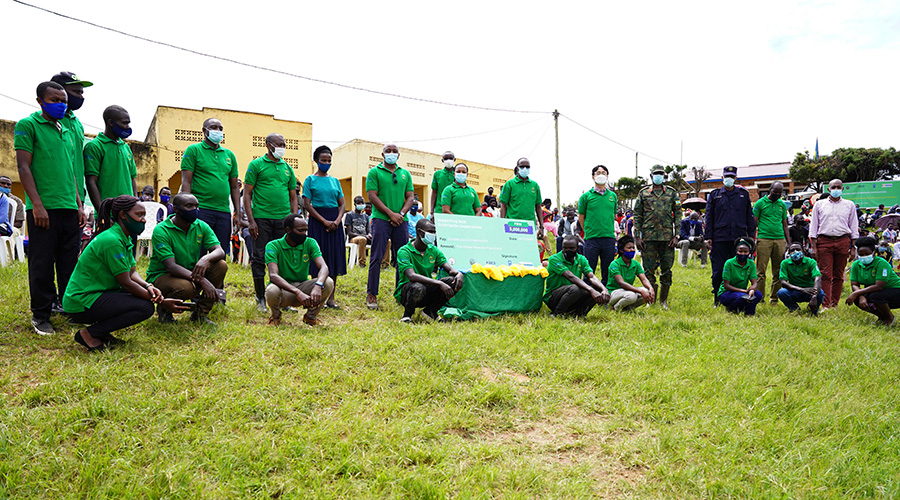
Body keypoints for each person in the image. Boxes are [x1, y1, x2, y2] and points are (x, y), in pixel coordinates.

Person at [63, 196, 187, 351]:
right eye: (139, 215)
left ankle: (102, 333)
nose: (143, 220)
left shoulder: (123, 237)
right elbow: (126, 282)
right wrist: (161, 302)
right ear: (123, 215)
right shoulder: (112, 240)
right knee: (145, 307)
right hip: (82, 300)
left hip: (98, 294)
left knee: (140, 299)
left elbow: (132, 272)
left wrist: (148, 286)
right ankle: (89, 334)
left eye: (144, 215)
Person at [15, 81, 87, 335]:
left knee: (69, 263)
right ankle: (41, 315)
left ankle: (68, 307)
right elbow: (24, 167)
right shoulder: (28, 125)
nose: (61, 104)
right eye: (55, 99)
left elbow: (71, 170)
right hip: (44, 208)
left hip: (69, 206)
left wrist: (79, 204)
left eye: (63, 100)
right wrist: (37, 205)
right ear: (40, 100)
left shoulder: (64, 130)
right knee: (42, 264)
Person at [146, 193, 227, 325]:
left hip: (189, 271)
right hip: (163, 275)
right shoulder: (162, 230)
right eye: (189, 206)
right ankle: (164, 311)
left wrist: (205, 259)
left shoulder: (201, 226)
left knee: (220, 265)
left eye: (197, 206)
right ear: (176, 209)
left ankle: (200, 314)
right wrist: (202, 281)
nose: (195, 210)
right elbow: (171, 266)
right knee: (186, 288)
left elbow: (219, 251)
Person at [243, 133, 299, 311]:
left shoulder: (287, 168)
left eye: (284, 144)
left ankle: (282, 297)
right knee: (259, 257)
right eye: (279, 144)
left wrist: (294, 218)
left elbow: (293, 196)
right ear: (268, 145)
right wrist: (251, 221)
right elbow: (247, 194)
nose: (282, 147)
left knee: (282, 258)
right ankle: (260, 297)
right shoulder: (256, 165)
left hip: (283, 221)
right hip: (262, 218)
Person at [180, 117, 241, 255]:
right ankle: (194, 277)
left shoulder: (229, 155)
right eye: (214, 127)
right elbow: (186, 182)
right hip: (201, 209)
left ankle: (215, 278)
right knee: (197, 252)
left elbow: (234, 187)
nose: (218, 131)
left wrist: (237, 212)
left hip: (223, 211)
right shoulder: (194, 150)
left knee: (219, 253)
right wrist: (187, 209)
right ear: (204, 130)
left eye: (220, 128)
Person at [365, 143, 414, 309]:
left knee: (403, 258)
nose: (391, 154)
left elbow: (410, 197)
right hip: (381, 220)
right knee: (376, 257)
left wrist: (400, 214)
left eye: (394, 151)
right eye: (388, 151)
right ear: (382, 154)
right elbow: (372, 196)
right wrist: (390, 214)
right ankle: (372, 294)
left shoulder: (405, 174)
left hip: (402, 221)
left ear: (399, 155)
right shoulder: (374, 172)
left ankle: (401, 293)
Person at [264, 214, 334, 326]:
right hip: (284, 291)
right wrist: (297, 292)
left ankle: (310, 317)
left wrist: (318, 285)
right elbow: (273, 275)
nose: (304, 234)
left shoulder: (310, 242)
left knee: (328, 282)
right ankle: (276, 317)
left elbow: (324, 267)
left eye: (306, 230)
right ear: (288, 230)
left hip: (303, 287)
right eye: (300, 231)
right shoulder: (273, 246)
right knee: (271, 290)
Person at [395, 219, 464, 322]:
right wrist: (439, 283)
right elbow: (411, 276)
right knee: (418, 286)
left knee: (452, 281)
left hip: (427, 289)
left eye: (434, 232)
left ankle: (430, 312)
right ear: (419, 232)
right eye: (430, 232)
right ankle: (407, 315)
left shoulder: (433, 250)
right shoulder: (404, 251)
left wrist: (459, 274)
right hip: (409, 291)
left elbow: (449, 269)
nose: (433, 235)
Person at [303, 145, 346, 309]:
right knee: (318, 258)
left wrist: (337, 220)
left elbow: (342, 204)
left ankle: (331, 298)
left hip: (335, 221)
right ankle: (316, 294)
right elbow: (307, 204)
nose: (326, 163)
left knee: (334, 258)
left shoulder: (335, 181)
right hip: (317, 222)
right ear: (316, 161)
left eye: (329, 160)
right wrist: (324, 221)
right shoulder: (310, 180)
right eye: (323, 160)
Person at [705, 166, 755, 306]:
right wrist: (708, 237)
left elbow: (749, 217)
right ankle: (717, 297)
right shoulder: (715, 195)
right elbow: (709, 217)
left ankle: (738, 296)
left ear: (735, 178)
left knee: (738, 269)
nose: (729, 179)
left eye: (732, 177)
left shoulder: (743, 194)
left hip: (738, 239)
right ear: (722, 178)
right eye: (727, 176)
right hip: (719, 238)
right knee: (718, 270)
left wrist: (751, 236)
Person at [633, 166, 680, 309]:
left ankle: (663, 301)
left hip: (667, 238)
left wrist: (677, 235)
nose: (658, 176)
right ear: (651, 175)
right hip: (648, 237)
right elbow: (637, 215)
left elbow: (678, 214)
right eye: (656, 174)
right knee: (648, 270)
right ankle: (651, 300)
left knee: (667, 269)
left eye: (661, 174)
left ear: (664, 176)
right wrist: (637, 237)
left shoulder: (672, 193)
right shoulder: (643, 193)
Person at [809, 179, 859, 309]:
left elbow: (854, 226)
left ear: (842, 189)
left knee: (838, 274)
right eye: (833, 187)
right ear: (829, 189)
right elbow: (813, 226)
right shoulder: (819, 205)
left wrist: (853, 248)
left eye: (838, 187)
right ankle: (825, 304)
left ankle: (834, 304)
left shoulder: (849, 205)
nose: (836, 189)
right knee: (825, 274)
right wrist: (813, 247)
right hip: (824, 241)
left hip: (843, 240)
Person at [84, 105, 137, 212]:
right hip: (108, 211)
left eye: (128, 123)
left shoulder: (125, 147)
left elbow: (132, 178)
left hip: (128, 212)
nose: (127, 127)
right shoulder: (95, 147)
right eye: (124, 123)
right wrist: (101, 212)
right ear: (111, 123)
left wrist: (135, 203)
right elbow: (91, 182)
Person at [50, 72, 90, 206]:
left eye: (81, 92)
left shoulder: (77, 123)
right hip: (54, 196)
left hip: (77, 196)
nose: (80, 96)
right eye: (76, 92)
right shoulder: (47, 120)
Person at [544, 235, 610, 316]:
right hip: (554, 297)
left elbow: (591, 277)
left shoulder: (581, 259)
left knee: (597, 289)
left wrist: (604, 289)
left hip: (573, 296)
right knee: (576, 289)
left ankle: (579, 314)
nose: (568, 250)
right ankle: (557, 313)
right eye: (565, 248)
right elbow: (570, 276)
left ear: (577, 248)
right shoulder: (554, 259)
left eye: (571, 248)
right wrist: (591, 290)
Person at [846, 236, 900, 326]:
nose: (864, 257)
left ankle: (889, 318)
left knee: (875, 296)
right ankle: (882, 317)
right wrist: (860, 296)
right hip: (877, 292)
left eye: (867, 254)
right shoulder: (856, 264)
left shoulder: (881, 263)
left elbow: (879, 286)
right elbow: (854, 284)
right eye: (861, 254)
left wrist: (856, 293)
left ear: (874, 252)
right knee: (857, 300)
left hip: (896, 290)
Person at [578, 165, 617, 285]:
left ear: (607, 176)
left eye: (603, 172)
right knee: (589, 270)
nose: (601, 175)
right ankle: (588, 297)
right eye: (598, 173)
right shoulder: (586, 197)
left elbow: (613, 215)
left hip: (609, 238)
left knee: (608, 270)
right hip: (592, 239)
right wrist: (589, 231)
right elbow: (581, 217)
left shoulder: (612, 196)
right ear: (593, 177)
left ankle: (606, 296)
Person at [753, 181, 791, 305]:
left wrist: (788, 242)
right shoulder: (760, 203)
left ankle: (774, 299)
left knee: (778, 271)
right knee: (760, 271)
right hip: (764, 239)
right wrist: (753, 239)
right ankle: (760, 298)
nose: (777, 195)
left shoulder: (782, 205)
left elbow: (785, 224)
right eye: (775, 192)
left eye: (780, 193)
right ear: (770, 190)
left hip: (780, 239)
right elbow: (754, 223)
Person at [500, 159, 544, 241]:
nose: (525, 169)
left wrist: (541, 226)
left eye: (527, 167)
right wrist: (502, 223)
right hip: (512, 225)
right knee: (512, 250)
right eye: (522, 166)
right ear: (517, 168)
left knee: (527, 251)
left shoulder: (534, 185)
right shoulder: (509, 184)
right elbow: (503, 205)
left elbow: (538, 207)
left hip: (529, 226)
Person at [716, 238, 763, 315]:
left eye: (745, 252)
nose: (743, 254)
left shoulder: (751, 263)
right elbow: (726, 285)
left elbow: (754, 282)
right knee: (742, 297)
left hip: (742, 292)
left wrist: (752, 289)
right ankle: (732, 309)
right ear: (736, 251)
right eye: (740, 251)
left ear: (749, 253)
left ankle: (749, 314)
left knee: (758, 295)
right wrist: (744, 291)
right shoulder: (729, 263)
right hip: (727, 293)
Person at [607, 236, 654, 311]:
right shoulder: (615, 264)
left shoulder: (635, 264)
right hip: (614, 292)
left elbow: (644, 279)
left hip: (627, 291)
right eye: (629, 248)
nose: (632, 250)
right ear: (622, 250)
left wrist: (651, 288)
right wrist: (640, 291)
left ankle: (627, 309)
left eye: (633, 248)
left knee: (647, 292)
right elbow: (621, 283)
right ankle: (615, 308)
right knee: (632, 296)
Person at [777, 241, 824, 314]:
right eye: (792, 250)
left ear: (803, 251)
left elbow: (817, 278)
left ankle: (813, 310)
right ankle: (795, 309)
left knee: (820, 293)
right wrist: (801, 289)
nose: (795, 252)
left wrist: (814, 296)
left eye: (798, 249)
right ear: (789, 253)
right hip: (795, 290)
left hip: (810, 290)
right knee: (781, 292)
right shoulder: (785, 263)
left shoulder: (811, 262)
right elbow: (783, 282)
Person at [345, 195, 371, 266]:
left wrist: (369, 235)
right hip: (353, 238)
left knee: (384, 240)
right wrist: (364, 236)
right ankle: (362, 263)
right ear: (355, 204)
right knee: (362, 239)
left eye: (362, 203)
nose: (361, 205)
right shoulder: (350, 215)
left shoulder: (365, 216)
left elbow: (368, 230)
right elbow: (350, 233)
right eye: (359, 203)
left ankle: (384, 264)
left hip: (365, 237)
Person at [430, 151, 456, 218]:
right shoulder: (438, 174)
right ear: (442, 160)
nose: (448, 160)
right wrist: (432, 212)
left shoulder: (458, 175)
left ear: (454, 159)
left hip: (455, 211)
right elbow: (434, 193)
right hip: (440, 210)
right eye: (446, 158)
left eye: (450, 158)